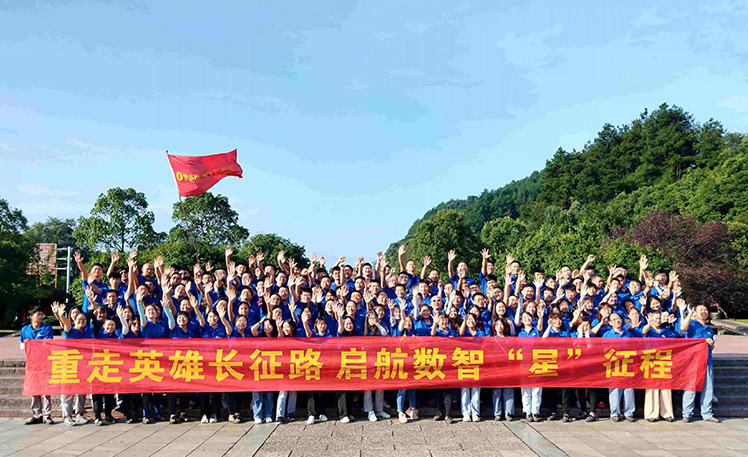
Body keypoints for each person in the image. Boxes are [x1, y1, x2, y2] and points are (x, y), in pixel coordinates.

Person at [51, 301, 90, 427]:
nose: (81, 321)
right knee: (68, 392)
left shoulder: (87, 332)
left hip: (83, 365)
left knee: (82, 392)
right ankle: (67, 416)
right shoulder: (70, 330)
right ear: (74, 320)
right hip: (70, 364)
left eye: (83, 319)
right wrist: (61, 315)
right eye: (79, 319)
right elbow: (66, 323)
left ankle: (79, 414)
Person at [680, 304, 720, 423]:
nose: (704, 312)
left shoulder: (709, 329)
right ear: (695, 313)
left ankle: (707, 413)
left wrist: (711, 344)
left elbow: (712, 347)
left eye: (706, 310)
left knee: (708, 388)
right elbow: (683, 328)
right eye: (701, 310)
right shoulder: (692, 324)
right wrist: (689, 314)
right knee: (691, 387)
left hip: (707, 361)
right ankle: (687, 413)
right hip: (693, 361)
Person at [20, 306, 54, 425]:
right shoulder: (25, 329)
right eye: (38, 314)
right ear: (31, 316)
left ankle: (47, 414)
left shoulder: (47, 328)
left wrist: (33, 344)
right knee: (34, 390)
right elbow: (22, 344)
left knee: (46, 390)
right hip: (32, 364)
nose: (41, 316)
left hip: (44, 363)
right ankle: (36, 415)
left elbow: (46, 344)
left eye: (42, 314)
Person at [641, 312, 677, 422]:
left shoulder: (666, 331)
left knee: (666, 388)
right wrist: (649, 324)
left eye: (659, 318)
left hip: (664, 361)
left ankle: (667, 413)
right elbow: (643, 332)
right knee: (651, 388)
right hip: (651, 361)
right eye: (655, 318)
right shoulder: (648, 330)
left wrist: (670, 325)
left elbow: (676, 339)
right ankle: (651, 414)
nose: (658, 320)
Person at [602, 313, 635, 422]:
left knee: (629, 390)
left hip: (627, 364)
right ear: (610, 323)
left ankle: (629, 412)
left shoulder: (628, 334)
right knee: (615, 390)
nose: (617, 321)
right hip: (614, 366)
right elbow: (603, 350)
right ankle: (614, 413)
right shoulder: (607, 335)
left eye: (618, 318)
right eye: (614, 319)